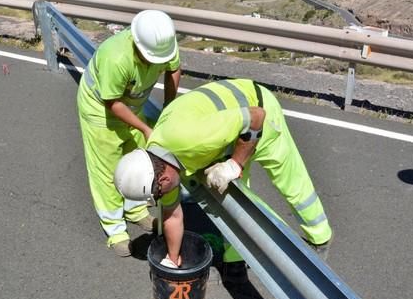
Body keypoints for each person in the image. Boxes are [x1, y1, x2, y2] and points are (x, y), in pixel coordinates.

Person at [114, 78, 332, 282]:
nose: (161, 198)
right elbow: (172, 215)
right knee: (236, 201)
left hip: (257, 111)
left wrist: (235, 164)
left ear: (161, 179)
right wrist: (173, 258)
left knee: (289, 178)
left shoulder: (191, 137)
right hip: (225, 130)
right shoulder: (158, 163)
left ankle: (320, 237)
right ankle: (235, 262)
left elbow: (257, 116)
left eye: (158, 195)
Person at [77, 9, 181, 257]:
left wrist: (168, 109)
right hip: (100, 111)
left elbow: (174, 70)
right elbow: (112, 103)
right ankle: (115, 229)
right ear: (136, 43)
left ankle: (135, 210)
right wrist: (145, 127)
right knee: (107, 169)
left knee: (138, 161)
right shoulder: (116, 57)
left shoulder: (163, 42)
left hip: (133, 106)